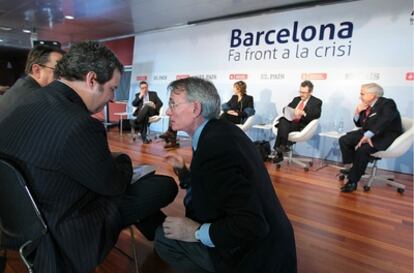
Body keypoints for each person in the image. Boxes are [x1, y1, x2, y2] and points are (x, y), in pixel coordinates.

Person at [0, 41, 178, 273]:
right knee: (162, 184)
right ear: (92, 79)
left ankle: (168, 237)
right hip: (61, 232)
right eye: (113, 88)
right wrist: (123, 159)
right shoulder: (79, 125)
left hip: (16, 218)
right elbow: (113, 185)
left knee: (136, 183)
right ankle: (173, 239)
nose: (112, 98)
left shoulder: (25, 104)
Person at [154, 77, 297, 273]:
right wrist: (187, 174)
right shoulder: (218, 131)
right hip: (274, 243)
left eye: (173, 104)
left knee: (164, 238)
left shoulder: (215, 149)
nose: (168, 111)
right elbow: (215, 185)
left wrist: (195, 232)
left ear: (195, 109)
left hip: (255, 256)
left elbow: (252, 225)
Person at [338, 83, 402, 192]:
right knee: (344, 140)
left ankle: (352, 182)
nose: (360, 96)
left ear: (372, 95)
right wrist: (357, 112)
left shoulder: (387, 103)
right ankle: (353, 168)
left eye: (362, 94)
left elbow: (384, 120)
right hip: (368, 132)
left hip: (384, 135)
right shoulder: (366, 105)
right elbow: (359, 124)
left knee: (362, 150)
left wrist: (369, 135)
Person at [0, 44, 65, 113]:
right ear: (37, 70)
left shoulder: (21, 86)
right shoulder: (39, 98)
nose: (63, 77)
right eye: (59, 70)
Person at [272, 80, 322, 164]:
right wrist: (292, 110)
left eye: (304, 92)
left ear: (310, 92)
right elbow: (285, 109)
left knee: (282, 124)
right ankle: (284, 146)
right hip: (290, 122)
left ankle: (279, 151)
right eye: (300, 91)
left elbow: (317, 114)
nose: (301, 94)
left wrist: (303, 113)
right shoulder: (296, 99)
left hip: (301, 125)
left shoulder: (316, 102)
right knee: (283, 120)